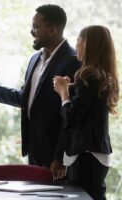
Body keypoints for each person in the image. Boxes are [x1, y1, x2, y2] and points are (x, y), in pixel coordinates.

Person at [0, 4, 80, 171]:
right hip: (34, 151)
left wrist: (60, 156)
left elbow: (71, 115)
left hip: (57, 158)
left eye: (36, 27)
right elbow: (25, 99)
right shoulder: (34, 58)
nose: (31, 31)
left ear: (52, 30)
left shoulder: (73, 60)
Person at [53, 25, 119, 200]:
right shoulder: (101, 75)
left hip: (86, 154)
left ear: (88, 44)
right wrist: (69, 88)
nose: (76, 46)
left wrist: (63, 93)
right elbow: (86, 107)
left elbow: (72, 117)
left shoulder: (88, 75)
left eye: (78, 41)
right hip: (95, 152)